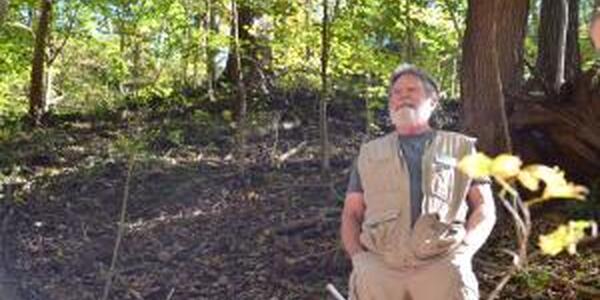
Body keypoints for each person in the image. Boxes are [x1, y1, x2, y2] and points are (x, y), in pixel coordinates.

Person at [340, 65, 496, 300]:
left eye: (411, 90)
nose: (402, 96)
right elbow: (351, 213)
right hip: (380, 269)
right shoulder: (369, 153)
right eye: (396, 92)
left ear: (433, 101)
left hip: (441, 266)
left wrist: (464, 252)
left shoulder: (462, 148)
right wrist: (359, 260)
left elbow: (485, 208)